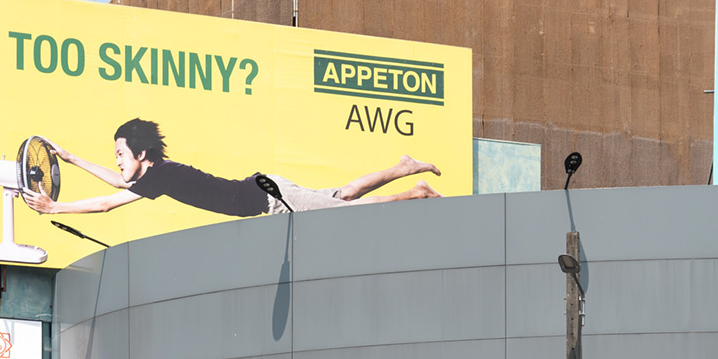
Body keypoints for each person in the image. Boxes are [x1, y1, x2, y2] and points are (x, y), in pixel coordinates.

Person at [22, 119, 442, 220]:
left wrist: (55, 209)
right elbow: (117, 181)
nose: (117, 161)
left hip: (269, 198)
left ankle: (416, 193)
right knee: (343, 196)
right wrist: (71, 158)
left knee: (344, 213)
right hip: (267, 188)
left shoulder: (161, 176)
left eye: (120, 152)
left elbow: (109, 202)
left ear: (142, 153)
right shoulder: (158, 173)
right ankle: (403, 167)